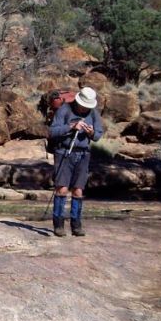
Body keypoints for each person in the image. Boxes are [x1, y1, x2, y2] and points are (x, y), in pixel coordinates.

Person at [48, 86, 103, 237]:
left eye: (87, 107)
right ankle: (58, 224)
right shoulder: (64, 110)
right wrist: (71, 126)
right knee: (62, 189)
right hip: (64, 152)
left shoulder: (93, 113)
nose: (85, 109)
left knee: (78, 190)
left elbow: (98, 135)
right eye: (83, 106)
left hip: (83, 154)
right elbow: (52, 131)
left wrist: (91, 132)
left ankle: (76, 225)